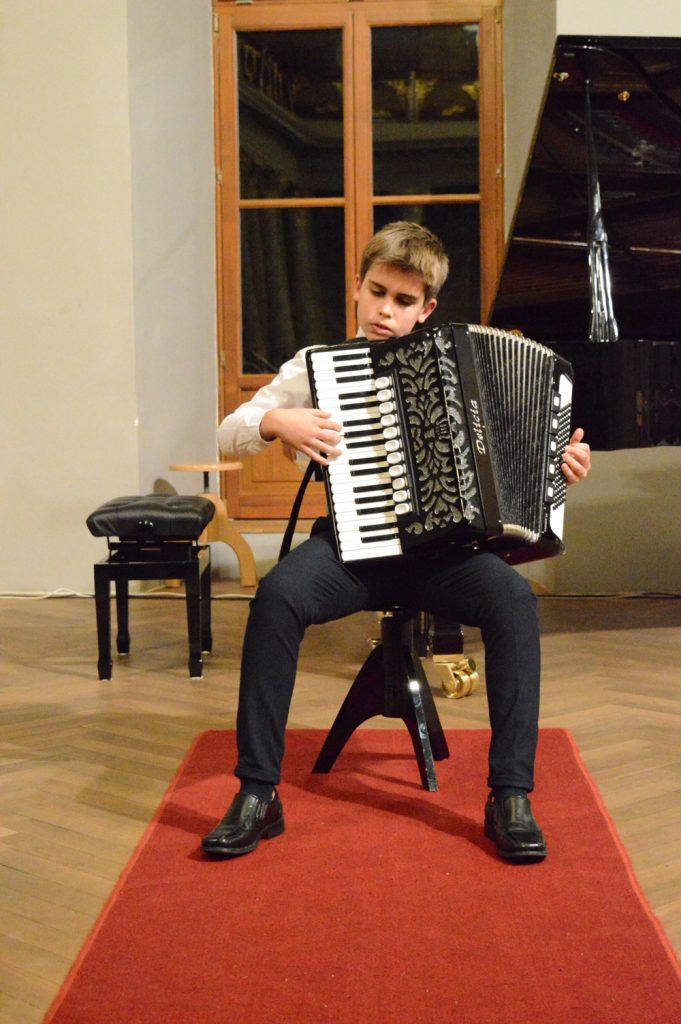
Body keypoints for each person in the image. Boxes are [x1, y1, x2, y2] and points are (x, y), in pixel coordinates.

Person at [202, 221, 591, 863]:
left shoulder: (465, 364)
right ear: (357, 287)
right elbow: (228, 431)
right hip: (351, 552)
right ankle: (258, 792)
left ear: (426, 309)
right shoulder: (320, 364)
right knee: (276, 596)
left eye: (404, 300)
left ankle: (510, 795)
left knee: (515, 602)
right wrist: (275, 420)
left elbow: (523, 464)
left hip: (443, 560)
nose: (386, 310)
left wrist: (561, 468)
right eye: (378, 292)